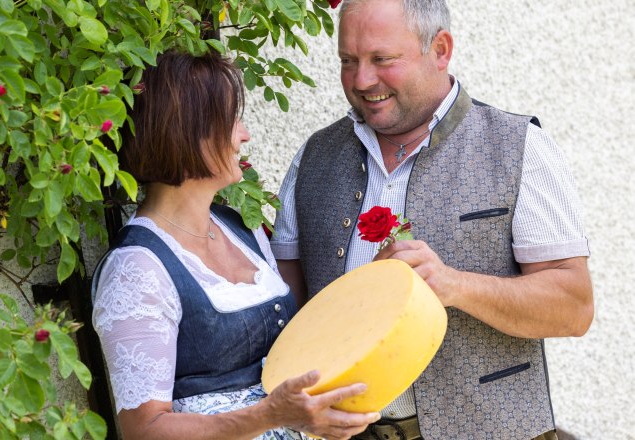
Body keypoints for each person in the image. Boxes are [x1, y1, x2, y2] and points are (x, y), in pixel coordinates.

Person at [270, 1, 594, 439]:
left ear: (440, 49)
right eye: (348, 61)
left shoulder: (519, 148)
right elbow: (284, 311)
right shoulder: (313, 157)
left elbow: (574, 307)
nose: (362, 80)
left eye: (382, 59)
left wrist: (457, 285)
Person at [91, 51, 380, 440]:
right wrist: (266, 416)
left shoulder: (240, 229)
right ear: (189, 133)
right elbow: (144, 430)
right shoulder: (137, 269)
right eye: (232, 121)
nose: (244, 134)